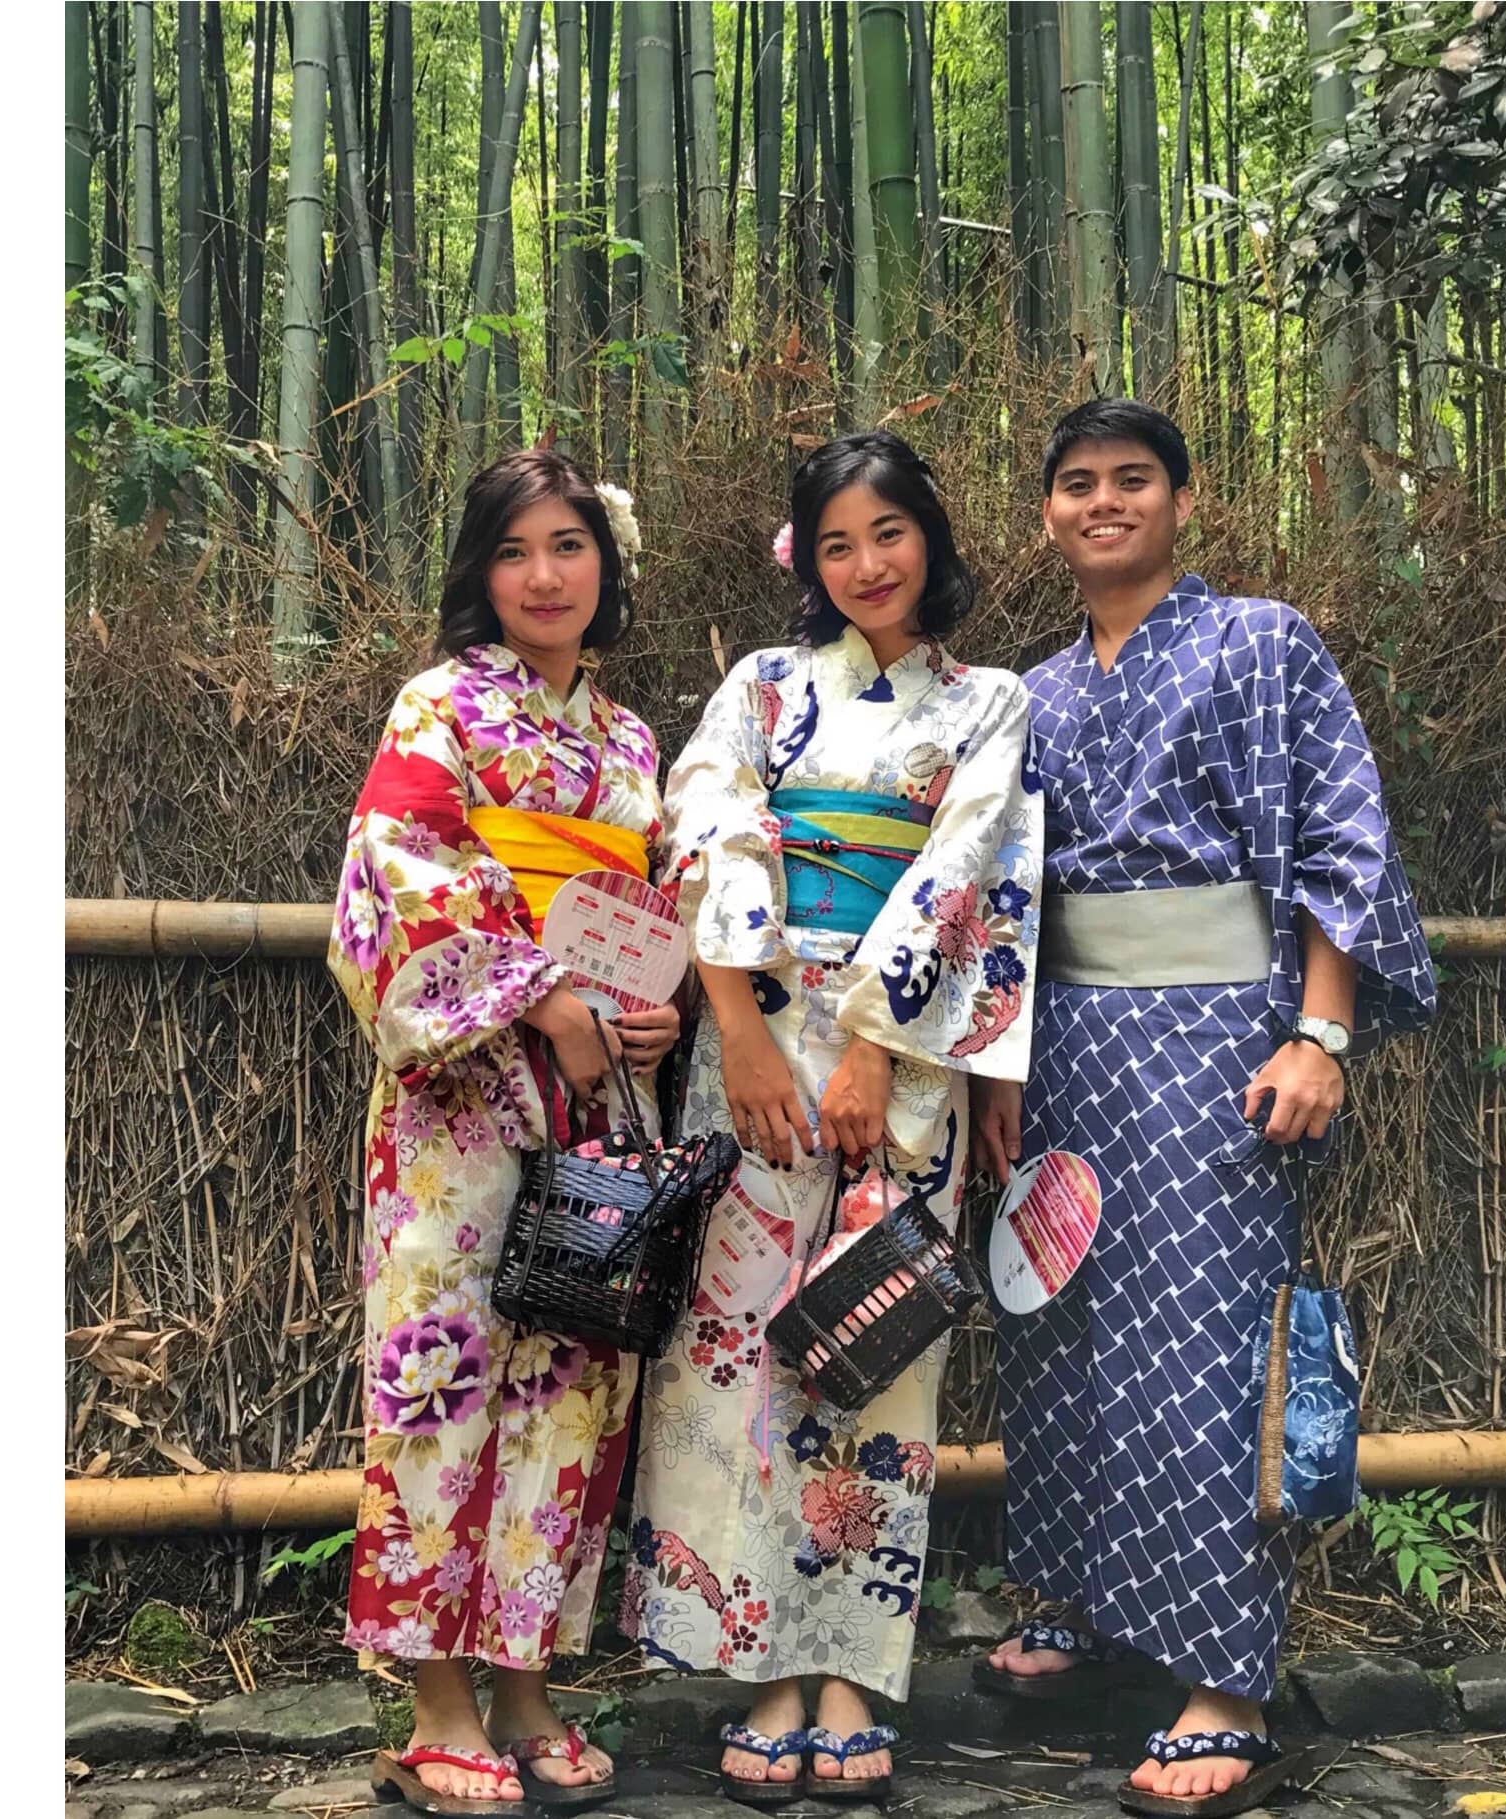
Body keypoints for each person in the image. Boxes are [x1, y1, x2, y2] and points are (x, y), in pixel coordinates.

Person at [969, 400, 1435, 1819]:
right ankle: (1080, 1601)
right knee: (1055, 1322)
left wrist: (1320, 1031)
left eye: (1132, 479)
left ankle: (1224, 1682)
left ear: (1182, 500)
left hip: (1219, 1038)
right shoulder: (1031, 694)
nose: (1102, 501)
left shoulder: (1262, 644)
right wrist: (997, 1068)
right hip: (1063, 1040)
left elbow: (1345, 840)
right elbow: (998, 899)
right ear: (1046, 514)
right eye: (1075, 483)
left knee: (1201, 1338)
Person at [623, 430, 1046, 1806]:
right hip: (748, 1041)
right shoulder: (760, 685)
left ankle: (849, 1671)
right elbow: (705, 830)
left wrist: (871, 1045)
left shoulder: (986, 702)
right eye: (837, 542)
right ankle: (759, 1666)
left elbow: (966, 871)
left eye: (889, 533)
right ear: (804, 558)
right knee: (732, 1349)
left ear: (932, 538)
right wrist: (740, 1027)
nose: (867, 564)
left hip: (902, 1059)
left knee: (876, 1353)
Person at [330, 448, 681, 1817]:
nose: (544, 576)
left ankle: (526, 1681)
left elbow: (646, 911)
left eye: (569, 546)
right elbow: (398, 869)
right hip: (460, 1096)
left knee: (572, 1376)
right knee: (444, 1365)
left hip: (597, 1094)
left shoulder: (630, 739)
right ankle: (436, 1700)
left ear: (607, 563)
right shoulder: (440, 705)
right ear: (481, 571)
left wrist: (649, 1015)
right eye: (515, 550)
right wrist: (537, 996)